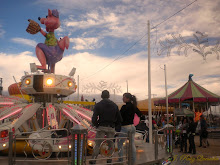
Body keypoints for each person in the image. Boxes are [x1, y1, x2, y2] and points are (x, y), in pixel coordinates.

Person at [89, 90, 122, 164]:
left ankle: (93, 160)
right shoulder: (114, 105)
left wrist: (97, 125)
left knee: (97, 144)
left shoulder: (98, 105)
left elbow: (94, 118)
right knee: (111, 144)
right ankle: (109, 159)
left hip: (101, 127)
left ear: (101, 96)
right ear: (109, 96)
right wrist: (115, 126)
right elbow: (119, 118)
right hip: (111, 127)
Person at [118, 93, 144, 164]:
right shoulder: (133, 106)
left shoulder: (124, 107)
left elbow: (119, 117)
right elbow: (140, 114)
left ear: (128, 99)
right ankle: (133, 161)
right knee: (132, 144)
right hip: (132, 127)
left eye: (124, 97)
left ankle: (120, 160)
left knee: (119, 143)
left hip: (125, 127)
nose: (123, 98)